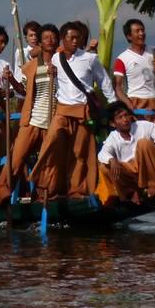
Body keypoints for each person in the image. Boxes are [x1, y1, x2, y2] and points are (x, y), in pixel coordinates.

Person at [43, 20, 113, 198]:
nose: (75, 41)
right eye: (71, 38)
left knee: (78, 152)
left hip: (82, 110)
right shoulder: (55, 59)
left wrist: (113, 105)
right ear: (63, 40)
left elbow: (104, 82)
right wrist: (51, 71)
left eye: (78, 38)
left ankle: (76, 189)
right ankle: (46, 184)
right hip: (62, 110)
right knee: (52, 141)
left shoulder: (90, 58)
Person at [3, 23, 60, 201]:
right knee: (16, 158)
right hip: (34, 119)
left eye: (53, 38)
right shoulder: (32, 66)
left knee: (48, 163)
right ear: (40, 43)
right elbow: (24, 91)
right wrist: (11, 79)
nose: (50, 41)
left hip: (53, 121)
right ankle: (3, 194)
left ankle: (44, 195)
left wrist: (58, 73)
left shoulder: (63, 62)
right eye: (45, 38)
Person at [97, 100, 155, 202]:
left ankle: (153, 185)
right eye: (120, 118)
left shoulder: (144, 126)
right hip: (132, 175)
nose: (125, 120)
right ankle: (131, 191)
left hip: (150, 172)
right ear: (113, 123)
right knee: (104, 167)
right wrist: (112, 160)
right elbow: (102, 154)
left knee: (143, 143)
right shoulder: (113, 138)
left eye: (126, 115)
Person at [113, 18, 155, 116]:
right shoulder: (122, 59)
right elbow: (117, 87)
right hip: (136, 103)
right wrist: (128, 104)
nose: (141, 33)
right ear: (129, 36)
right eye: (137, 31)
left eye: (143, 30)